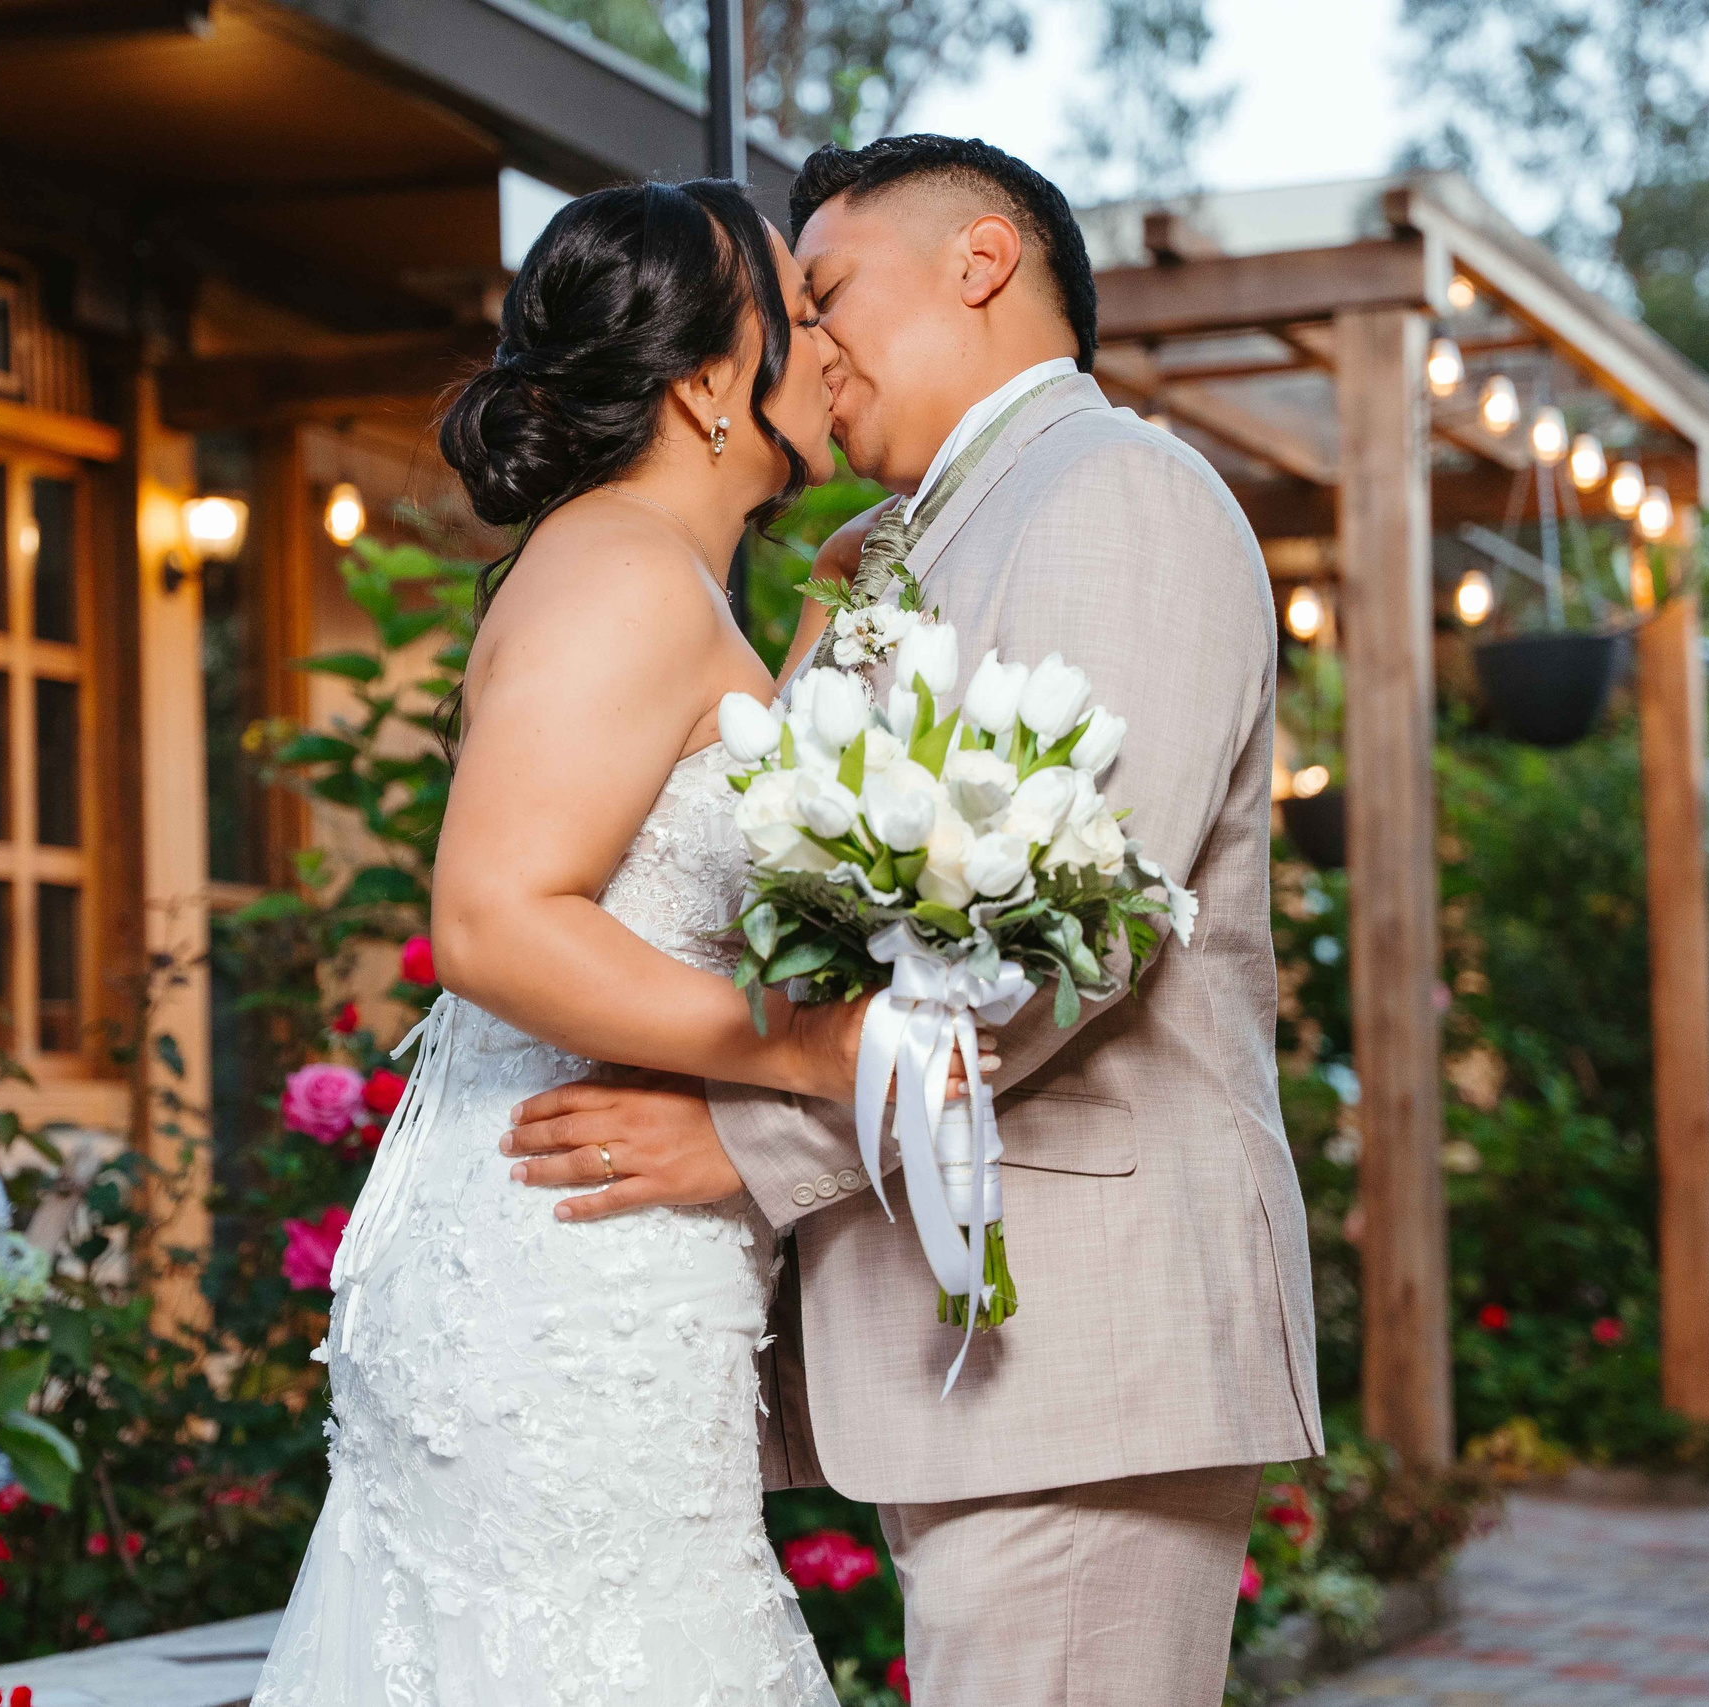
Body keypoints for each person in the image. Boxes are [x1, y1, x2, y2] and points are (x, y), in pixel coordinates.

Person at [504, 135, 1322, 1706]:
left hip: (1086, 1353)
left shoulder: (1116, 494)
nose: (806, 347)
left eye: (824, 292)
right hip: (967, 1341)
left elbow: (1073, 931)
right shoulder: (891, 552)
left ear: (981, 261)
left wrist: (744, 1147)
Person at [248, 175, 856, 1706]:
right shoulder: (623, 570)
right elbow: (493, 918)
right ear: (714, 376)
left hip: (601, 1244)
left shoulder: (654, 573)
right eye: (801, 313)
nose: (833, 340)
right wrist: (807, 1054)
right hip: (564, 1261)